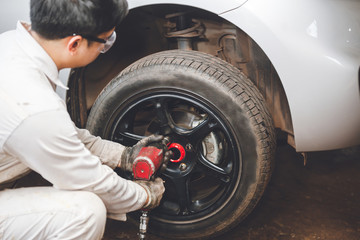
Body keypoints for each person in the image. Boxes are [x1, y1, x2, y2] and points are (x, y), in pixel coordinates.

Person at [0, 0, 170, 239]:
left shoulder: (10, 45)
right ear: (75, 44)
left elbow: (65, 137)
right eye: (106, 40)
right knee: (85, 212)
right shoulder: (33, 108)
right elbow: (90, 181)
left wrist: (123, 156)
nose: (107, 46)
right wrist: (144, 195)